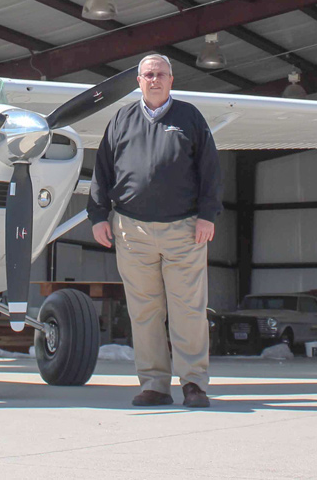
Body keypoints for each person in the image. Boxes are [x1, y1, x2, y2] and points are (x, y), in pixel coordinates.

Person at [88, 54, 221, 408]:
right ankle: (154, 385)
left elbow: (210, 169)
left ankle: (193, 383)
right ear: (138, 81)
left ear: (172, 80)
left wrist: (208, 215)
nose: (155, 79)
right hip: (132, 231)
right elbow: (102, 169)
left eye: (161, 74)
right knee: (144, 310)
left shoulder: (190, 117)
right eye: (148, 74)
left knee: (188, 310)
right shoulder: (121, 119)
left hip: (185, 230)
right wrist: (98, 215)